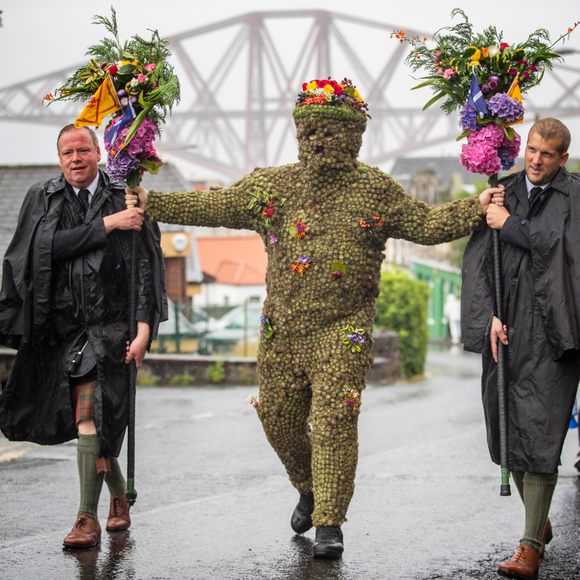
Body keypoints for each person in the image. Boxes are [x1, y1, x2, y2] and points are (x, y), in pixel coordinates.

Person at [127, 78, 501, 559]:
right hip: (281, 330)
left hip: (343, 329)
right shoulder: (275, 187)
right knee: (279, 421)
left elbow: (426, 225)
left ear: (353, 136)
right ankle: (307, 486)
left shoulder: (375, 190)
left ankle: (329, 521)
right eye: (309, 132)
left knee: (333, 422)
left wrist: (475, 207)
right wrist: (154, 202)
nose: (318, 141)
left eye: (329, 132)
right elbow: (215, 203)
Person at [0, 125, 166, 549]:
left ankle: (85, 518)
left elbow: (145, 267)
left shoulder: (124, 193)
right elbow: (41, 251)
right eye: (67, 152)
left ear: (98, 153)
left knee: (90, 419)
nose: (75, 158)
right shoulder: (44, 196)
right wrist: (111, 224)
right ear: (60, 159)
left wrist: (145, 328)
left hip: (110, 328)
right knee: (93, 422)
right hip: (59, 328)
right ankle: (119, 498)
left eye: (82, 150)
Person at [461, 118, 580, 580]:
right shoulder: (502, 192)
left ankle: (529, 547)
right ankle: (538, 518)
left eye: (547, 154)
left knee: (542, 432)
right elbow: (479, 263)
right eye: (531, 149)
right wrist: (488, 313)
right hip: (507, 331)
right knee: (507, 429)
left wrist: (510, 225)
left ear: (563, 158)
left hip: (556, 335)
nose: (535, 159)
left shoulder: (575, 198)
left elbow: (561, 253)